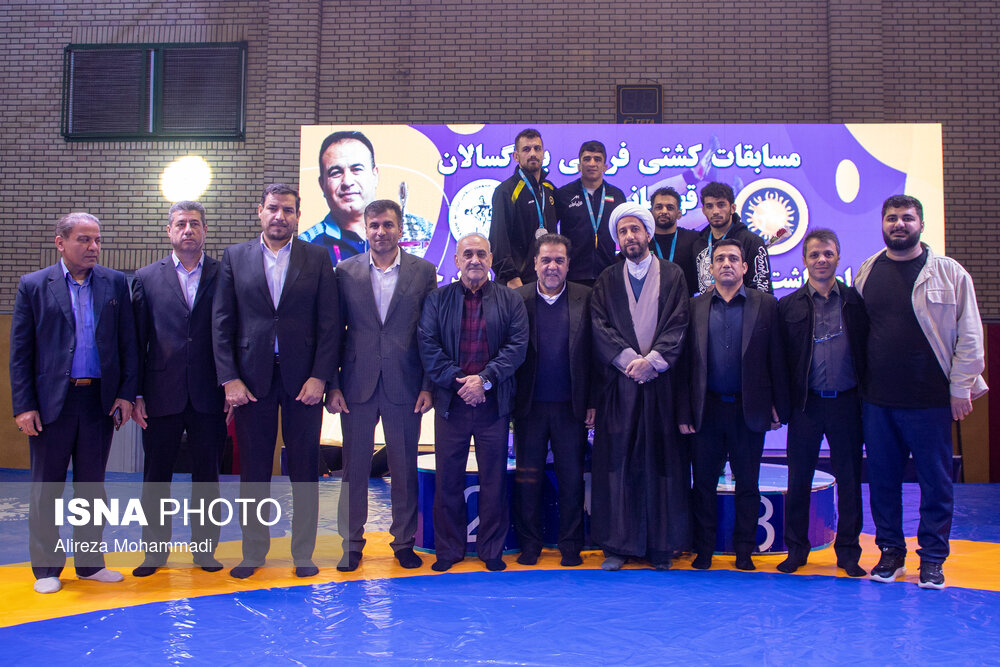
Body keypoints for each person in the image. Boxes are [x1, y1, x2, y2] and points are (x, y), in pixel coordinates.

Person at [854, 194, 987, 590]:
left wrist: (961, 388)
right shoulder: (867, 271)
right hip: (878, 401)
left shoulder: (949, 273)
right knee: (883, 484)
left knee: (935, 484)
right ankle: (891, 554)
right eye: (892, 218)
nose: (899, 224)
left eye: (907, 218)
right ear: (882, 224)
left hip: (930, 401)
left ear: (921, 225)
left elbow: (970, 336)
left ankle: (932, 559)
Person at [213, 183, 340, 579]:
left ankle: (303, 553)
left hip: (304, 382)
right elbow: (222, 324)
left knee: (304, 469)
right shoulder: (235, 257)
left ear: (298, 215)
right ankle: (253, 552)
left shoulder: (317, 257)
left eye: (288, 210)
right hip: (251, 383)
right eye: (273, 208)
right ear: (260, 211)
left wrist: (320, 377)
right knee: (253, 471)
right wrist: (230, 379)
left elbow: (330, 324)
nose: (280, 216)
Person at [10, 212, 138, 594]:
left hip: (98, 401)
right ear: (60, 242)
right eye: (84, 239)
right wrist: (24, 405)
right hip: (52, 404)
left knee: (92, 489)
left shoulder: (115, 283)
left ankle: (90, 564)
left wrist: (125, 394)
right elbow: (20, 353)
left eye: (97, 239)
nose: (93, 247)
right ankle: (46, 569)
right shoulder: (33, 285)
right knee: (46, 490)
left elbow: (128, 344)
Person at [326, 199, 437, 572]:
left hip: (405, 383)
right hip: (355, 384)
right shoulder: (345, 271)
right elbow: (334, 332)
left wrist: (428, 385)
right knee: (354, 469)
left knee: (403, 468)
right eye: (374, 225)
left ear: (400, 229)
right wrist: (333, 384)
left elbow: (429, 333)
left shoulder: (424, 272)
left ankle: (404, 542)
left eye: (388, 225)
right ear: (366, 229)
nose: (381, 232)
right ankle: (351, 544)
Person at [417, 233, 528, 572]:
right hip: (452, 403)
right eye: (468, 254)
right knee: (448, 479)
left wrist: (485, 380)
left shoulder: (510, 301)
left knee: (494, 479)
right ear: (456, 260)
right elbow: (428, 346)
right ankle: (449, 550)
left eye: (481, 253)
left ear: (491, 259)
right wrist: (460, 382)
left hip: (494, 403)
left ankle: (491, 550)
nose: (475, 260)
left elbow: (517, 347)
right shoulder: (437, 300)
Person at [590, 202, 690, 571]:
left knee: (662, 466)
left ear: (648, 233)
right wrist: (631, 362)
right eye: (623, 231)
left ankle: (661, 547)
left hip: (661, 386)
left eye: (635, 229)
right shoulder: (607, 279)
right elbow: (599, 326)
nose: (630, 236)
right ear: (617, 239)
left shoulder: (674, 275)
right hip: (621, 388)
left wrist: (653, 362)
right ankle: (619, 546)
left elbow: (680, 322)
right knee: (618, 465)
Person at [130, 201, 228, 577]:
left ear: (205, 231)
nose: (188, 229)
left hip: (210, 393)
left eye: (195, 224)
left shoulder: (224, 274)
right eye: (181, 224)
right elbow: (137, 341)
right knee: (156, 477)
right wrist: (137, 393)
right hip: (160, 393)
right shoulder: (145, 277)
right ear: (169, 231)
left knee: (208, 477)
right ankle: (154, 553)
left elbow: (233, 334)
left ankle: (205, 550)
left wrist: (231, 385)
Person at [679, 239, 788, 572]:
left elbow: (777, 358)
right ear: (711, 268)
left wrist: (778, 405)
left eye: (733, 259)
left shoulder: (766, 305)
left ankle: (744, 551)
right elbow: (685, 365)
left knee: (748, 485)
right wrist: (683, 411)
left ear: (744, 267)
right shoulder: (694, 306)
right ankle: (704, 551)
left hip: (748, 410)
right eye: (720, 259)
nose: (726, 263)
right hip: (706, 410)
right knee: (703, 485)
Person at [776, 229, 867, 577]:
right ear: (804, 260)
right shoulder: (789, 306)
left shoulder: (855, 303)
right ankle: (796, 550)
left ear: (838, 257)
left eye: (828, 254)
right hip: (806, 406)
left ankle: (848, 553)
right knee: (798, 480)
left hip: (847, 404)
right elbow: (781, 361)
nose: (821, 260)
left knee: (850, 481)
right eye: (814, 255)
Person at [512, 234, 594, 567]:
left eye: (559, 260)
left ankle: (571, 545)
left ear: (568, 264)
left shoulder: (586, 297)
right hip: (528, 407)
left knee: (572, 480)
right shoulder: (517, 299)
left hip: (571, 408)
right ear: (534, 263)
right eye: (545, 260)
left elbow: (596, 355)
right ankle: (529, 545)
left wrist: (593, 402)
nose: (552, 266)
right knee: (527, 480)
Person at [299, 130, 432, 266]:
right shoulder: (305, 245)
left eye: (356, 169)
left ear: (375, 175)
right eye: (336, 173)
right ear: (322, 184)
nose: (347, 182)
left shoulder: (422, 231)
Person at [490, 128, 559, 288]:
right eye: (526, 149)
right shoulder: (506, 191)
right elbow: (498, 240)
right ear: (516, 156)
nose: (533, 153)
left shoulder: (549, 189)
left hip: (547, 280)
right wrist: (511, 277)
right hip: (516, 282)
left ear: (543, 154)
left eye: (537, 148)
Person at [553, 140, 627, 286]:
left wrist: (619, 259)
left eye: (597, 159)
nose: (592, 163)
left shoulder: (617, 195)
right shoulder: (563, 194)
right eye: (587, 159)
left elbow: (625, 230)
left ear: (605, 166)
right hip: (572, 274)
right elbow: (551, 231)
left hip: (608, 274)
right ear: (579, 166)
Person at [691, 182, 772, 294]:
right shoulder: (699, 244)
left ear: (732, 208)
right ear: (703, 210)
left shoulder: (751, 241)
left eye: (721, 205)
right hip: (707, 305)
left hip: (745, 305)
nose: (715, 211)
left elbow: (762, 288)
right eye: (709, 206)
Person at [650, 186, 700, 296]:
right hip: (650, 303)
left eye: (670, 208)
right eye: (659, 207)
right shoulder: (643, 241)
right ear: (651, 212)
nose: (664, 211)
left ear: (679, 214)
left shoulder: (694, 239)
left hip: (687, 302)